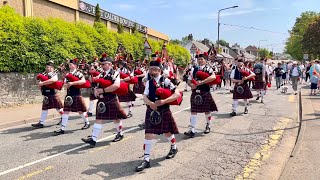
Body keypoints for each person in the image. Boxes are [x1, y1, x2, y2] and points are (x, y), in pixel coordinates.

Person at [135, 60, 180, 172]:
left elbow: (177, 94)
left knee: (167, 133)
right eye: (150, 69)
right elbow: (144, 96)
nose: (152, 71)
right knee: (148, 134)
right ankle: (146, 159)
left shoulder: (166, 81)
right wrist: (150, 103)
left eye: (154, 69)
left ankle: (174, 147)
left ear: (159, 70)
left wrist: (164, 101)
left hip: (163, 110)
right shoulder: (149, 82)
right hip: (151, 110)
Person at [82, 57, 128, 147]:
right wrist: (96, 90)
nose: (102, 66)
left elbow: (116, 86)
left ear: (110, 65)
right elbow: (96, 83)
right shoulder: (101, 74)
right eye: (101, 64)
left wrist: (103, 90)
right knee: (98, 119)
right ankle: (93, 139)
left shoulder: (115, 74)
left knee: (116, 118)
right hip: (102, 99)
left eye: (104, 64)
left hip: (111, 98)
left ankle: (120, 133)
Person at [184, 53, 218, 138]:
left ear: (205, 60)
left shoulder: (209, 68)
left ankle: (208, 125)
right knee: (193, 111)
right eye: (199, 59)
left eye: (202, 59)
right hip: (195, 92)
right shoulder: (193, 69)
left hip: (205, 91)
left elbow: (213, 77)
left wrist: (202, 82)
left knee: (207, 111)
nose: (200, 61)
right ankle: (192, 130)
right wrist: (191, 85)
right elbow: (188, 80)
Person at [54, 58, 90, 135]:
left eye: (71, 64)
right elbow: (65, 83)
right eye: (69, 64)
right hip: (69, 95)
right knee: (66, 111)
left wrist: (73, 83)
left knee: (80, 111)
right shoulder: (67, 74)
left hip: (76, 94)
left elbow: (83, 81)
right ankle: (62, 128)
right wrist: (65, 85)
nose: (70, 66)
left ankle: (87, 122)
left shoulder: (78, 73)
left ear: (75, 66)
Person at [31, 61, 64, 128]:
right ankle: (41, 123)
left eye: (48, 67)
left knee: (58, 107)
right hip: (46, 93)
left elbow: (54, 80)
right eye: (46, 67)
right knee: (44, 108)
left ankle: (64, 118)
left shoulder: (53, 74)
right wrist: (40, 84)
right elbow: (40, 81)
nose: (47, 68)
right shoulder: (45, 74)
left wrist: (43, 83)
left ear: (52, 68)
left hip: (53, 93)